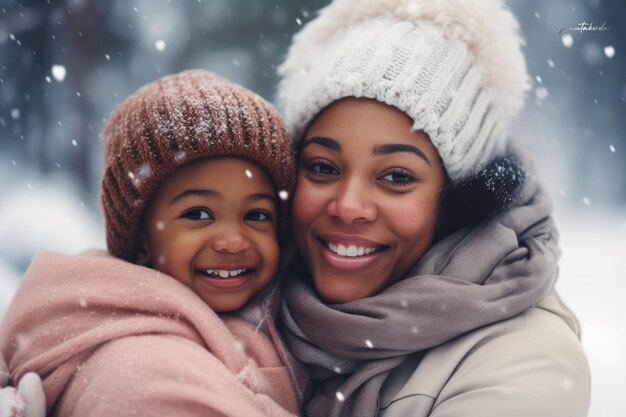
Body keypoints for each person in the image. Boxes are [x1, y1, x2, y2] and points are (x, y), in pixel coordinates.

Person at [275, 0, 591, 416]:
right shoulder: (245, 298)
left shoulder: (527, 361)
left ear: (459, 200)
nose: (348, 206)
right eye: (322, 167)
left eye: (397, 176)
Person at [0, 70, 306, 417]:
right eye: (199, 214)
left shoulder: (279, 324)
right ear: (142, 240)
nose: (234, 241)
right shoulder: (147, 370)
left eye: (257, 215)